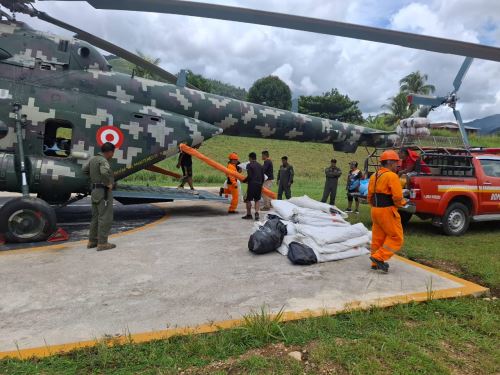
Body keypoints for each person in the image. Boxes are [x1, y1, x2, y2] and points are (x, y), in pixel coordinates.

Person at [367, 150, 407, 273]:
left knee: (378, 237)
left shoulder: (374, 175)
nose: (397, 165)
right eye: (396, 162)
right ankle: (378, 257)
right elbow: (397, 197)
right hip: (387, 211)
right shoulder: (392, 176)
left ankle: (375, 263)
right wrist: (402, 204)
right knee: (396, 237)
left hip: (375, 210)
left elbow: (369, 195)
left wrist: (374, 206)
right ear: (389, 162)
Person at [83, 142, 116, 251]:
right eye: (113, 153)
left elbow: (84, 170)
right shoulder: (103, 160)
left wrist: (94, 179)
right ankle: (102, 243)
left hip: (95, 191)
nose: (113, 155)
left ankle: (92, 241)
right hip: (103, 192)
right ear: (110, 152)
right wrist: (108, 183)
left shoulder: (93, 159)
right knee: (105, 217)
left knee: (95, 217)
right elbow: (104, 172)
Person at [242, 152, 264, 221]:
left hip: (252, 184)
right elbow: (263, 177)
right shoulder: (260, 165)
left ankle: (249, 214)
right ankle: (257, 213)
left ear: (250, 158)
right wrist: (261, 184)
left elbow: (250, 176)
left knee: (248, 200)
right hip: (259, 184)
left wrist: (244, 180)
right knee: (257, 200)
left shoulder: (249, 165)